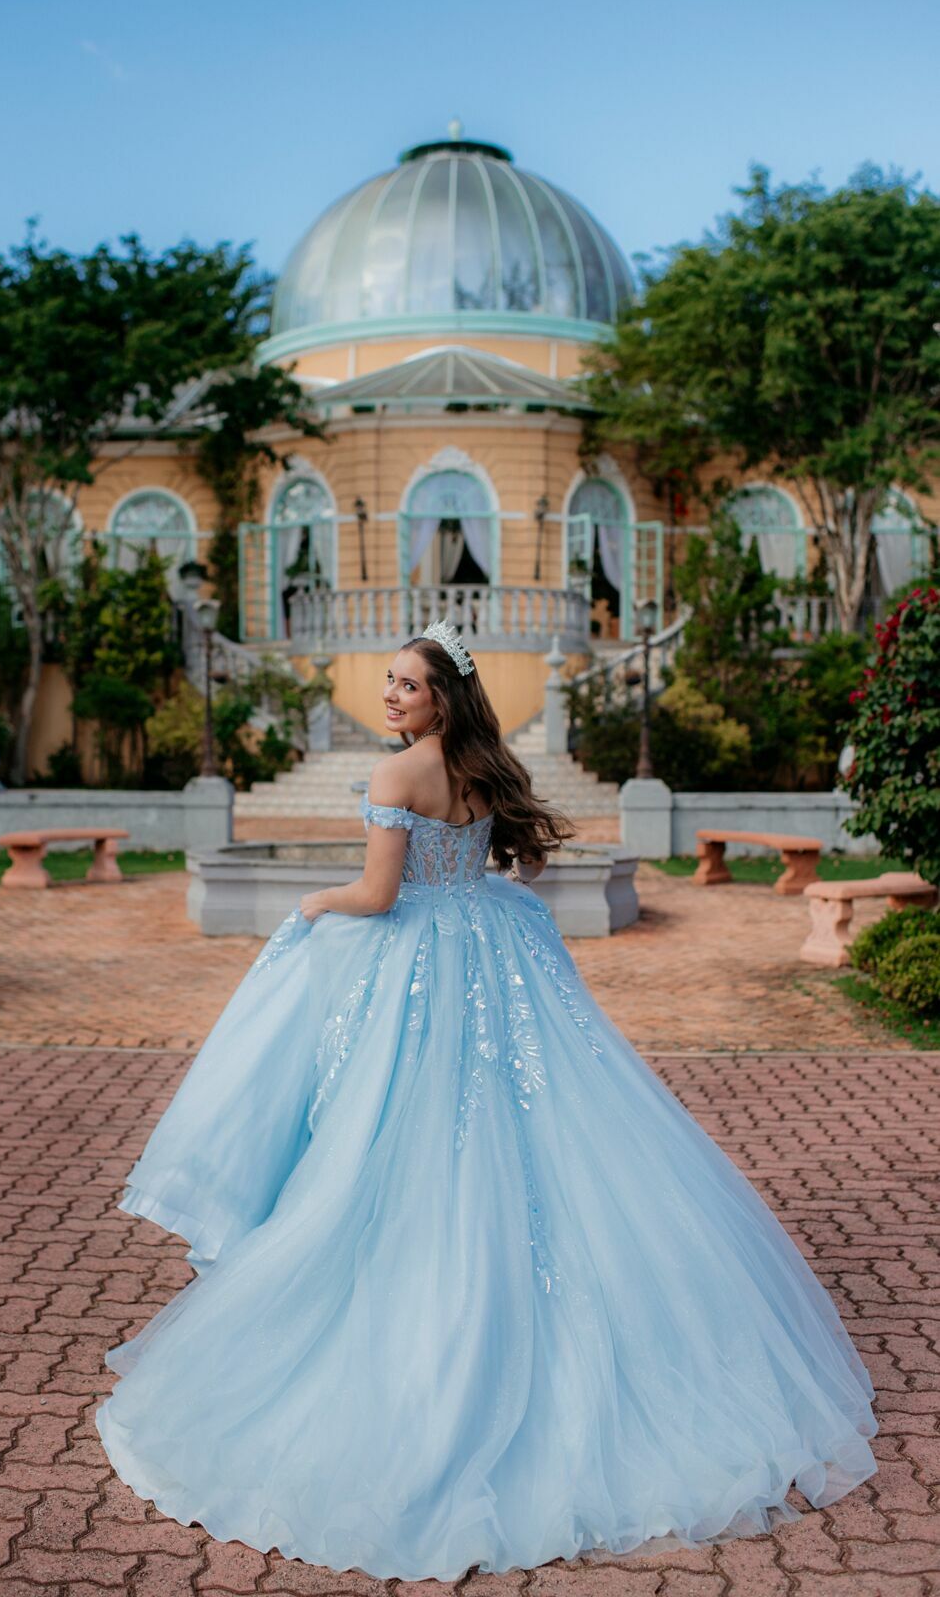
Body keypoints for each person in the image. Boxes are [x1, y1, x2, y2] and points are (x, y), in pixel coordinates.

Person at [94, 619, 878, 1581]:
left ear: (442, 698)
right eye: (388, 681)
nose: (390, 696)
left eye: (407, 685)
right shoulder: (483, 768)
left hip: (420, 965)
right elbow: (513, 866)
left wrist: (313, 904)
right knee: (532, 1120)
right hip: (494, 949)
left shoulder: (396, 775)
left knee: (400, 1129)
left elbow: (380, 896)